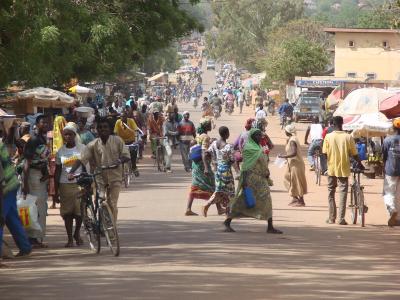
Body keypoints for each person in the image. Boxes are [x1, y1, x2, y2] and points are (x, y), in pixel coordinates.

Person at [68, 117, 130, 222]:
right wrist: (71, 172)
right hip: (99, 177)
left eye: (105, 127)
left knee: (112, 203)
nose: (103, 129)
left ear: (110, 129)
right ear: (97, 130)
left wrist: (118, 161)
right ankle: (101, 224)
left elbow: (126, 156)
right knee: (101, 200)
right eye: (100, 127)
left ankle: (111, 230)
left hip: (115, 177)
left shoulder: (118, 141)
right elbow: (81, 159)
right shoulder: (93, 144)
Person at [223, 128, 282, 234]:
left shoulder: (258, 147)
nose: (260, 137)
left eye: (260, 135)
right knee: (241, 200)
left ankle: (270, 226)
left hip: (260, 178)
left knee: (267, 200)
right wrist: (244, 181)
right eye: (257, 135)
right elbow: (246, 166)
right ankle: (227, 221)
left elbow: (264, 159)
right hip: (250, 178)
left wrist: (266, 172)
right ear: (252, 137)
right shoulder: (249, 148)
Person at [322, 116, 361, 225]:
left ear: (332, 124)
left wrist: (330, 162)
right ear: (342, 124)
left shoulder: (328, 137)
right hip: (344, 169)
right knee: (343, 193)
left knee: (331, 193)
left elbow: (324, 153)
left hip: (331, 169)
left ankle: (331, 218)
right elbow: (355, 154)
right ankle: (341, 219)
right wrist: (360, 164)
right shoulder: (348, 137)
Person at [0, 132, 32, 261]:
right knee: (12, 218)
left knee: (1, 218)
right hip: (11, 184)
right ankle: (25, 247)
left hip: (5, 187)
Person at [54, 123, 85, 247]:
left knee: (79, 213)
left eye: (70, 134)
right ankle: (70, 239)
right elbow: (57, 171)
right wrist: (55, 191)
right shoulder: (60, 151)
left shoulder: (81, 148)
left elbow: (85, 165)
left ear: (74, 135)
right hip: (64, 184)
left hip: (79, 183)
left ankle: (76, 233)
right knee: (67, 214)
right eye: (65, 134)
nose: (67, 137)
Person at [23, 115, 50, 248]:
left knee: (41, 207)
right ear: (37, 124)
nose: (45, 124)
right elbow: (26, 163)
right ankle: (33, 238)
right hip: (34, 177)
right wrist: (25, 183)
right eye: (42, 122)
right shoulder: (33, 140)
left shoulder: (42, 139)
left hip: (41, 177)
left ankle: (37, 237)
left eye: (47, 122)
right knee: (37, 208)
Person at [202, 126, 237, 217]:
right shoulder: (228, 147)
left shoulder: (214, 143)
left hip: (218, 171)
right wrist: (238, 172)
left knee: (219, 191)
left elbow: (206, 154)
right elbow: (233, 161)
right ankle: (228, 214)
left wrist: (206, 167)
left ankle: (207, 204)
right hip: (226, 172)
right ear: (226, 134)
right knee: (230, 193)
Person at [185, 118, 217, 216]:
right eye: (209, 125)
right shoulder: (206, 137)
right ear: (206, 126)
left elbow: (193, 146)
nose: (210, 126)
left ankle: (188, 209)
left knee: (195, 185)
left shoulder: (198, 135)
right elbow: (203, 152)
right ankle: (219, 208)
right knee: (212, 185)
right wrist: (207, 167)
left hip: (195, 163)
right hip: (202, 164)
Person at [279, 124, 308, 207]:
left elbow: (294, 153)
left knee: (297, 181)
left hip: (296, 164)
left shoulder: (292, 140)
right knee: (287, 179)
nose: (284, 131)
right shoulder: (290, 139)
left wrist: (284, 156)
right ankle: (295, 198)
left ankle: (301, 201)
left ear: (288, 131)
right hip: (292, 163)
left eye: (285, 130)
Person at [382, 118, 400, 226]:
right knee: (398, 194)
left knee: (389, 193)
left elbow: (384, 155)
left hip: (391, 170)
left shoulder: (387, 140)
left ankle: (392, 210)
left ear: (393, 128)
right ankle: (398, 219)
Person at [114, 110, 140, 176]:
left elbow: (136, 129)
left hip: (131, 141)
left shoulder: (131, 121)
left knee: (133, 153)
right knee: (118, 154)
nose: (122, 118)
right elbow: (115, 132)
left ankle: (134, 167)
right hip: (122, 142)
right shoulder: (118, 122)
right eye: (121, 117)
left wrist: (136, 140)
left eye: (124, 116)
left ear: (127, 116)